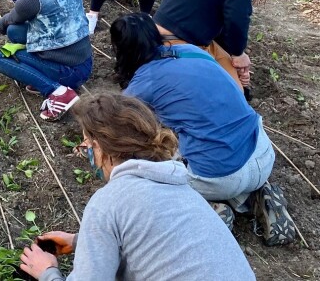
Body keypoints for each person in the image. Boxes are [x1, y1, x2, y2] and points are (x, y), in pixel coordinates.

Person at [19, 93, 256, 281]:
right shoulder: (184, 191)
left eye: (87, 143)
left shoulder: (108, 202)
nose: (86, 150)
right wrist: (79, 241)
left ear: (101, 147)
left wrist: (47, 272)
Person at [112, 13, 295, 245]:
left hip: (222, 175)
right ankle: (251, 198)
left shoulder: (143, 83)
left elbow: (118, 123)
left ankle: (210, 211)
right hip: (262, 152)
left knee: (150, 180)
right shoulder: (192, 51)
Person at [154, 0, 285, 90]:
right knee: (230, 92)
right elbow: (237, 15)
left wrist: (237, 61)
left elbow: (226, 25)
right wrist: (238, 53)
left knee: (238, 87)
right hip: (175, 38)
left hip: (184, 35)